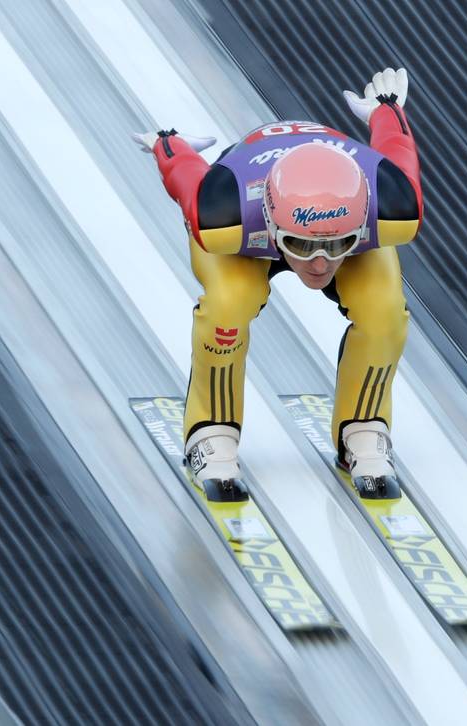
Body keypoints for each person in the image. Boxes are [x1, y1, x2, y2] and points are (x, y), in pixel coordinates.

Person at [134, 68, 422, 500]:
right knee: (229, 304)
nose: (321, 265)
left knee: (384, 309)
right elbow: (185, 176)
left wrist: (386, 111)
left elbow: (395, 151)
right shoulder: (223, 215)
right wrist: (169, 143)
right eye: (301, 246)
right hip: (248, 229)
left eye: (338, 243)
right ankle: (211, 431)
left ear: (364, 220)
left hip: (297, 212)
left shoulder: (394, 206)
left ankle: (364, 426)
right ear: (269, 222)